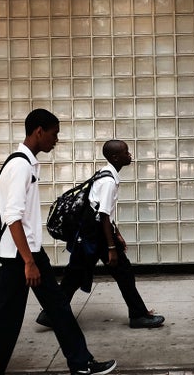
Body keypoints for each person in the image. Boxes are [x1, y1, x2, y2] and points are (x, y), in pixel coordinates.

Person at [0, 109, 116, 375]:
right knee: (7, 320)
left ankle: (81, 362)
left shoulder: (25, 162)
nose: (56, 140)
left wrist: (33, 256)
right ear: (39, 131)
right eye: (54, 134)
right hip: (20, 255)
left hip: (29, 251)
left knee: (58, 308)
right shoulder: (20, 166)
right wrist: (29, 261)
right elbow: (13, 217)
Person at [36, 139, 165, 329]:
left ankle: (50, 314)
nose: (129, 155)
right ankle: (137, 316)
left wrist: (117, 233)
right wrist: (112, 247)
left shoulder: (105, 176)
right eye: (126, 152)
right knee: (119, 274)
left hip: (91, 236)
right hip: (96, 238)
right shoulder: (108, 182)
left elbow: (103, 212)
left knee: (79, 277)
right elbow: (103, 216)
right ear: (115, 157)